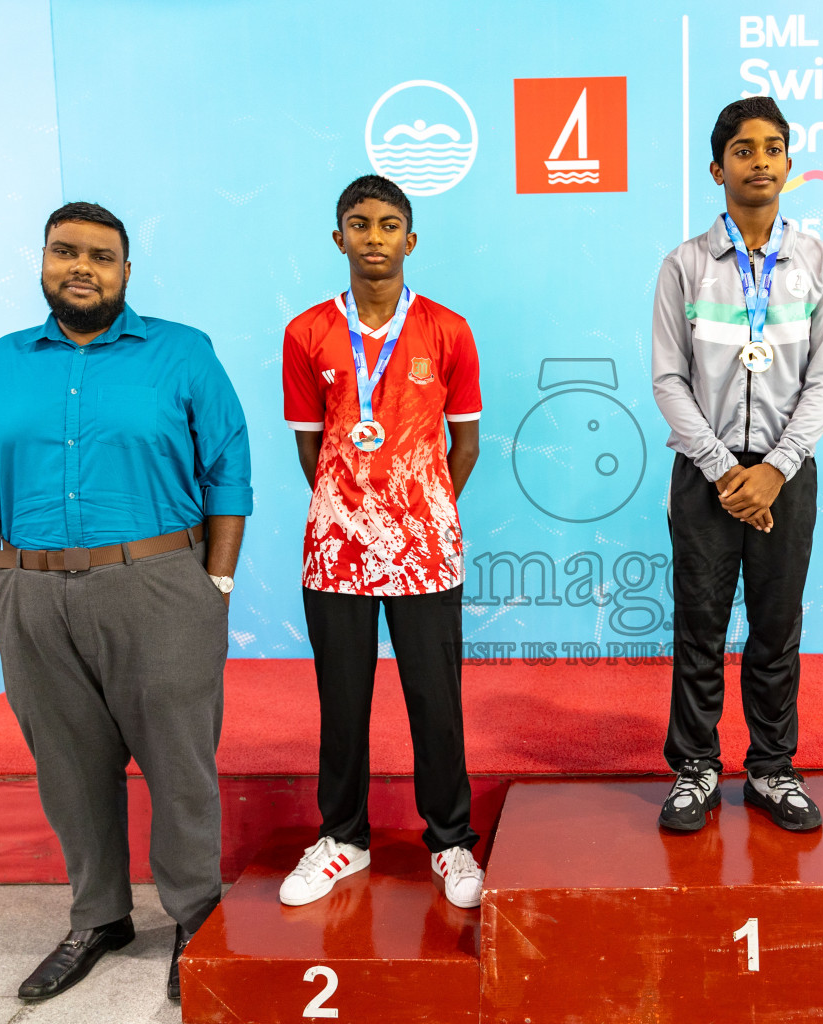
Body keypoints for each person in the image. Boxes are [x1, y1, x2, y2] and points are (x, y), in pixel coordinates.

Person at [0, 202, 252, 1001]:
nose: (82, 267)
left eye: (101, 256)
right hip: (30, 595)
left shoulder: (181, 353)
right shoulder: (4, 361)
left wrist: (215, 583)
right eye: (65, 252)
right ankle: (99, 917)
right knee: (69, 770)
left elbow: (229, 470)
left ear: (126, 272)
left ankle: (195, 916)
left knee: (180, 767)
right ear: (41, 261)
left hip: (158, 588)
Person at [279, 175, 485, 909]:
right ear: (339, 238)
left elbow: (466, 444)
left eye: (389, 224)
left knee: (436, 698)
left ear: (411, 239)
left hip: (425, 546)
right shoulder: (306, 332)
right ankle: (343, 838)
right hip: (336, 547)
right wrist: (356, 511)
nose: (374, 237)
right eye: (359, 224)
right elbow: (315, 450)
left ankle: (452, 842)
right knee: (343, 700)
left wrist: (415, 509)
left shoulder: (448, 329)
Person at [651, 97, 823, 833]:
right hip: (706, 477)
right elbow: (669, 378)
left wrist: (775, 469)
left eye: (772, 148)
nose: (758, 159)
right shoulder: (687, 264)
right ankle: (696, 765)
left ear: (789, 165)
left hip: (786, 478)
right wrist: (721, 468)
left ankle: (771, 767)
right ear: (717, 167)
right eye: (743, 149)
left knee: (775, 625)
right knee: (699, 625)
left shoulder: (821, 263)